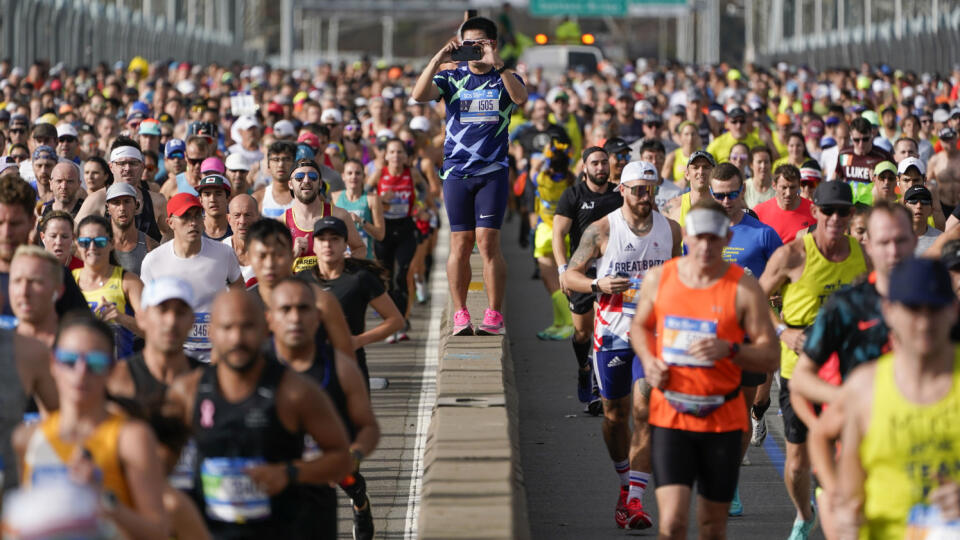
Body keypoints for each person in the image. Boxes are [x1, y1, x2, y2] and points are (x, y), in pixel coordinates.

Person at [630, 198, 779, 539]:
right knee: (672, 524)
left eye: (714, 238)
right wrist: (650, 360)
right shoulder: (659, 279)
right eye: (699, 237)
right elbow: (639, 326)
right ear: (687, 239)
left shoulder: (743, 288)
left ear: (727, 239)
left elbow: (770, 355)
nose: (706, 246)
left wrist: (732, 349)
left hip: (722, 420)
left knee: (712, 527)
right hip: (671, 416)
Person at [164, 289, 353, 538]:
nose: (237, 338)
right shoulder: (186, 393)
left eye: (247, 327)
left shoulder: (295, 392)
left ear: (266, 329)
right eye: (227, 328)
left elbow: (342, 458)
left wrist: (289, 473)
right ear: (212, 333)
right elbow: (156, 464)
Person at [562, 162, 681, 529]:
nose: (644, 195)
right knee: (615, 417)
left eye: (650, 189)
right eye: (637, 189)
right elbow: (569, 277)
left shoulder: (671, 229)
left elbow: (681, 275)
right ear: (623, 190)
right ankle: (625, 483)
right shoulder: (602, 230)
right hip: (612, 333)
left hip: (654, 333)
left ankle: (635, 500)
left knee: (644, 410)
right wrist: (598, 286)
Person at [789, 202, 916, 536]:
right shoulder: (846, 305)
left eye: (901, 240)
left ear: (915, 241)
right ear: (868, 245)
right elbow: (801, 379)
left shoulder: (938, 300)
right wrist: (849, 396)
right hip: (861, 454)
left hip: (924, 451)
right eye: (884, 242)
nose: (894, 250)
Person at [758, 180, 867, 539]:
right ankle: (805, 514)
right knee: (797, 462)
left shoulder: (859, 254)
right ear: (815, 212)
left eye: (843, 211)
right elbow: (754, 298)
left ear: (851, 215)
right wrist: (782, 333)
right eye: (828, 210)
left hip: (846, 371)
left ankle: (846, 514)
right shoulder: (793, 254)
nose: (835, 218)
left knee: (849, 454)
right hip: (799, 369)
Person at [412, 15, 527, 336]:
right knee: (460, 245)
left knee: (488, 243)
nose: (473, 50)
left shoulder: (508, 76)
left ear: (492, 44)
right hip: (457, 172)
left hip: (492, 172)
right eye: (468, 44)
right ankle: (461, 313)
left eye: (480, 43)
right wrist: (438, 59)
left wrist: (498, 64)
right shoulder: (452, 77)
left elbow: (520, 100)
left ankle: (493, 313)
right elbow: (419, 94)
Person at [13, 312, 168, 540]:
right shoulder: (26, 438)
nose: (81, 372)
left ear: (111, 370)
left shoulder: (131, 438)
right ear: (53, 365)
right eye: (69, 361)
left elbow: (158, 532)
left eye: (95, 362)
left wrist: (105, 501)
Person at [835, 258, 960, 540]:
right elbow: (850, 494)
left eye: (935, 308)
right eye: (913, 308)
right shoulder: (863, 388)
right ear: (889, 311)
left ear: (953, 310)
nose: (924, 321)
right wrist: (845, 522)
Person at [268, 278, 381, 540]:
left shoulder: (339, 368)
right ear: (269, 319)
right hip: (274, 482)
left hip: (322, 475)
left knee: (348, 479)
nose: (295, 318)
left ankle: (360, 503)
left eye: (303, 309)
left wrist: (354, 453)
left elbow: (367, 426)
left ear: (318, 317)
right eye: (286, 310)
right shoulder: (255, 366)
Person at [554, 146, 623, 410]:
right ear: (584, 167)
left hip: (613, 271)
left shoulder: (620, 193)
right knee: (582, 332)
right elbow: (558, 233)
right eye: (595, 163)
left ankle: (597, 386)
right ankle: (584, 369)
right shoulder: (572, 195)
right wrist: (563, 270)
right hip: (581, 272)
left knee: (602, 329)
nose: (600, 168)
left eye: (604, 163)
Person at [298, 216, 403, 381]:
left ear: (345, 244)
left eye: (334, 239)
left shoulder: (359, 278)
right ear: (314, 245)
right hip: (312, 367)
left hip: (350, 365)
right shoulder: (302, 280)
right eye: (322, 239)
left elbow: (396, 320)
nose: (327, 244)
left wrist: (358, 341)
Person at [140, 193, 243, 362]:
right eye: (185, 217)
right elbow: (146, 311)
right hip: (175, 357)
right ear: (170, 223)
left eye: (197, 216)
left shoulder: (224, 253)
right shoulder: (153, 261)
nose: (193, 223)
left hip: (216, 356)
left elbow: (239, 293)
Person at [245, 218, 355, 359]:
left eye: (278, 255)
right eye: (262, 256)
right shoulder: (240, 307)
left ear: (291, 255)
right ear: (249, 257)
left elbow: (346, 359)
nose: (269, 264)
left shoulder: (321, 301)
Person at [0, 176, 87, 329]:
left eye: (15, 223)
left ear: (32, 222)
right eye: (0, 223)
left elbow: (83, 337)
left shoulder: (55, 274)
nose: (6, 232)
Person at [73, 215, 144, 360]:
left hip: (118, 373)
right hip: (81, 371)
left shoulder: (128, 281)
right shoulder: (69, 280)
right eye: (85, 242)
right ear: (77, 244)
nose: (92, 247)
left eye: (99, 241)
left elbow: (152, 330)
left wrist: (121, 318)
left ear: (111, 243)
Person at [76, 139, 169, 242]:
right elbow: (73, 232)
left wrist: (159, 252)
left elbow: (171, 233)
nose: (128, 168)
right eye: (122, 163)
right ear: (111, 167)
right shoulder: (97, 199)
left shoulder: (157, 201)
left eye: (133, 163)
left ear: (142, 166)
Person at [283, 159, 366, 272]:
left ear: (320, 183)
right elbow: (274, 267)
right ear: (290, 184)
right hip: (299, 287)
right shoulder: (282, 222)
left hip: (331, 287)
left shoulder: (339, 215)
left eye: (312, 176)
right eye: (299, 177)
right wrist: (293, 254)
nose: (306, 180)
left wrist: (348, 262)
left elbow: (360, 249)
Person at [530, 134, 575, 340]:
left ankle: (568, 323)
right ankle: (559, 322)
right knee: (561, 280)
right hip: (566, 233)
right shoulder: (571, 181)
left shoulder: (541, 178)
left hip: (547, 235)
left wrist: (544, 154)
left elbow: (534, 169)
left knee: (552, 282)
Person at [331, 158, 384, 260]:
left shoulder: (371, 198)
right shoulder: (335, 197)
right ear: (343, 176)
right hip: (341, 258)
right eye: (349, 173)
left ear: (364, 176)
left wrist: (361, 221)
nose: (353, 177)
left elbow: (380, 235)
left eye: (358, 173)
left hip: (365, 259)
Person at [753, 164, 815, 244]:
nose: (788, 193)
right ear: (774, 185)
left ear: (799, 185)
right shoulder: (759, 212)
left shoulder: (814, 210)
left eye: (792, 187)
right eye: (784, 187)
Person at [105, 183, 158, 276]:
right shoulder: (96, 243)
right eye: (116, 203)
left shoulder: (152, 247)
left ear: (137, 206)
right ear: (107, 208)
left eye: (127, 201)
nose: (122, 208)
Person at [662, 150, 716, 225]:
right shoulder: (673, 205)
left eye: (706, 167)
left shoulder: (723, 204)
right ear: (687, 174)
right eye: (695, 167)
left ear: (714, 173)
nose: (701, 172)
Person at [833, 117, 892, 183]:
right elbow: (835, 180)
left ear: (871, 135)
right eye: (856, 140)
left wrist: (878, 179)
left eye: (865, 139)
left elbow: (895, 181)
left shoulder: (883, 156)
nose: (861, 144)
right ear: (851, 136)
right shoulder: (844, 154)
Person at [223, 194, 260, 288]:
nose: (242, 221)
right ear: (229, 219)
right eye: (237, 215)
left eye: (248, 215)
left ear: (258, 218)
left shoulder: (269, 251)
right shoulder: (219, 252)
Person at [253, 141, 297, 219]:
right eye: (276, 159)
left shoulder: (305, 197)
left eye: (286, 159)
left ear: (294, 163)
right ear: (268, 164)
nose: (281, 164)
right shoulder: (258, 198)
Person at [927, 126, 960, 217]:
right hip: (942, 206)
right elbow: (927, 182)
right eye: (945, 140)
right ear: (940, 141)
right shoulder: (935, 160)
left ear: (956, 138)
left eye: (951, 138)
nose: (949, 143)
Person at [904, 185, 942, 255]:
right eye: (913, 201)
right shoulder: (893, 237)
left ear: (931, 209)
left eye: (925, 201)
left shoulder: (941, 240)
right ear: (904, 207)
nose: (919, 206)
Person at [661, 121, 702, 186]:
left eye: (693, 134)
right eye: (686, 134)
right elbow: (662, 183)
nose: (690, 138)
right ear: (680, 137)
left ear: (698, 136)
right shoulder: (672, 156)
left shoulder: (704, 156)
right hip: (680, 193)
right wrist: (681, 182)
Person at [196, 174, 232, 241]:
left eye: (218, 194)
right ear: (200, 200)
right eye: (207, 194)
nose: (212, 199)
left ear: (228, 199)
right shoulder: (193, 230)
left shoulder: (237, 230)